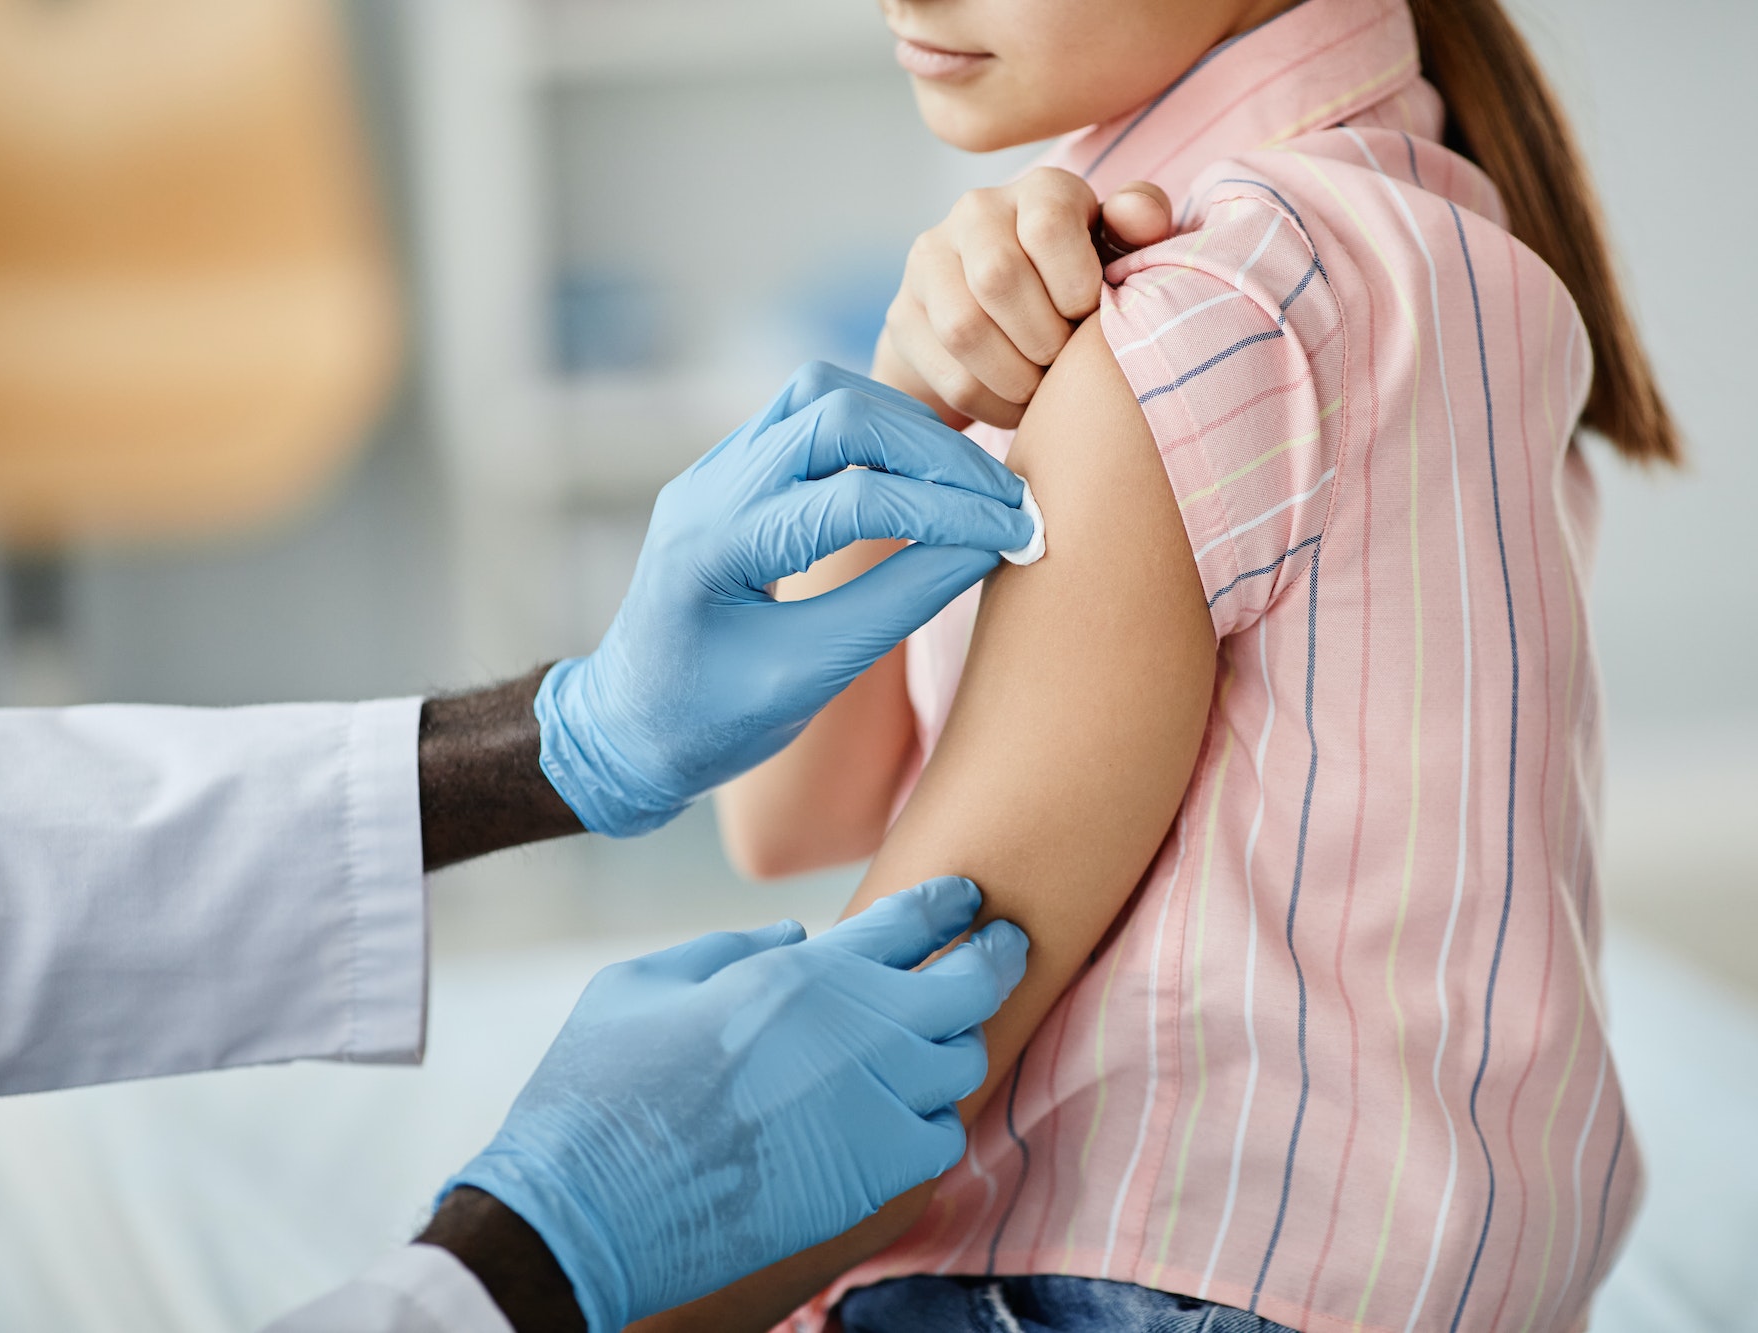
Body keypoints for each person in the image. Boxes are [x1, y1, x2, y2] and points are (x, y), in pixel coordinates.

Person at [0, 170, 1170, 1332]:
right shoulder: (1145, 336)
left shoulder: (1182, 317)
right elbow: (799, 853)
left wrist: (565, 740)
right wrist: (543, 1252)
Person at [691, 1, 1684, 1331]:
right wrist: (903, 391)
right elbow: (789, 814)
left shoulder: (1202, 309)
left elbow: (902, 1051)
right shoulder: (1434, 229)